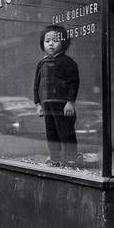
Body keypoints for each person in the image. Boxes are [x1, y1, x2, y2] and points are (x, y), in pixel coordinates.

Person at [34, 25, 80, 168]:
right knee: (51, 134)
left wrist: (70, 103)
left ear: (64, 43)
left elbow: (73, 83)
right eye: (47, 41)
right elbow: (36, 85)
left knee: (66, 133)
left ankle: (70, 159)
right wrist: (38, 104)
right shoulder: (41, 63)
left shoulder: (68, 62)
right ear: (43, 44)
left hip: (62, 105)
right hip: (47, 105)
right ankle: (54, 158)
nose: (51, 43)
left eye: (55, 40)